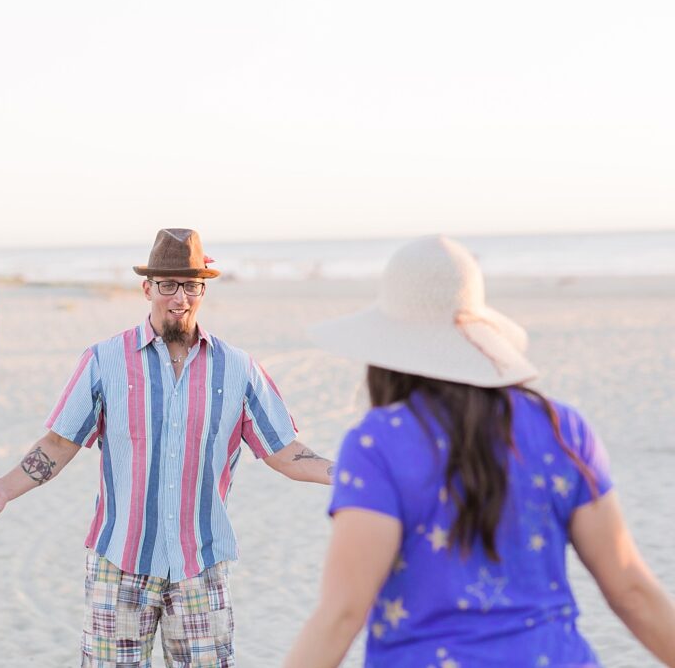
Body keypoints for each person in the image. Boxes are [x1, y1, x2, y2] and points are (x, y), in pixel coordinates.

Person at [284, 236, 675, 668]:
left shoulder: (378, 443)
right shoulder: (563, 429)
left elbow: (342, 614)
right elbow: (632, 592)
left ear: (387, 346)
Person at [0, 228, 333, 667]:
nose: (180, 297)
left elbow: (284, 451)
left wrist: (351, 473)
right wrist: (3, 488)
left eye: (192, 285)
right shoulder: (104, 360)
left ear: (203, 290)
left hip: (200, 565)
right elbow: (58, 444)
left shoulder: (238, 368)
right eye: (168, 285)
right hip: (120, 564)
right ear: (147, 288)